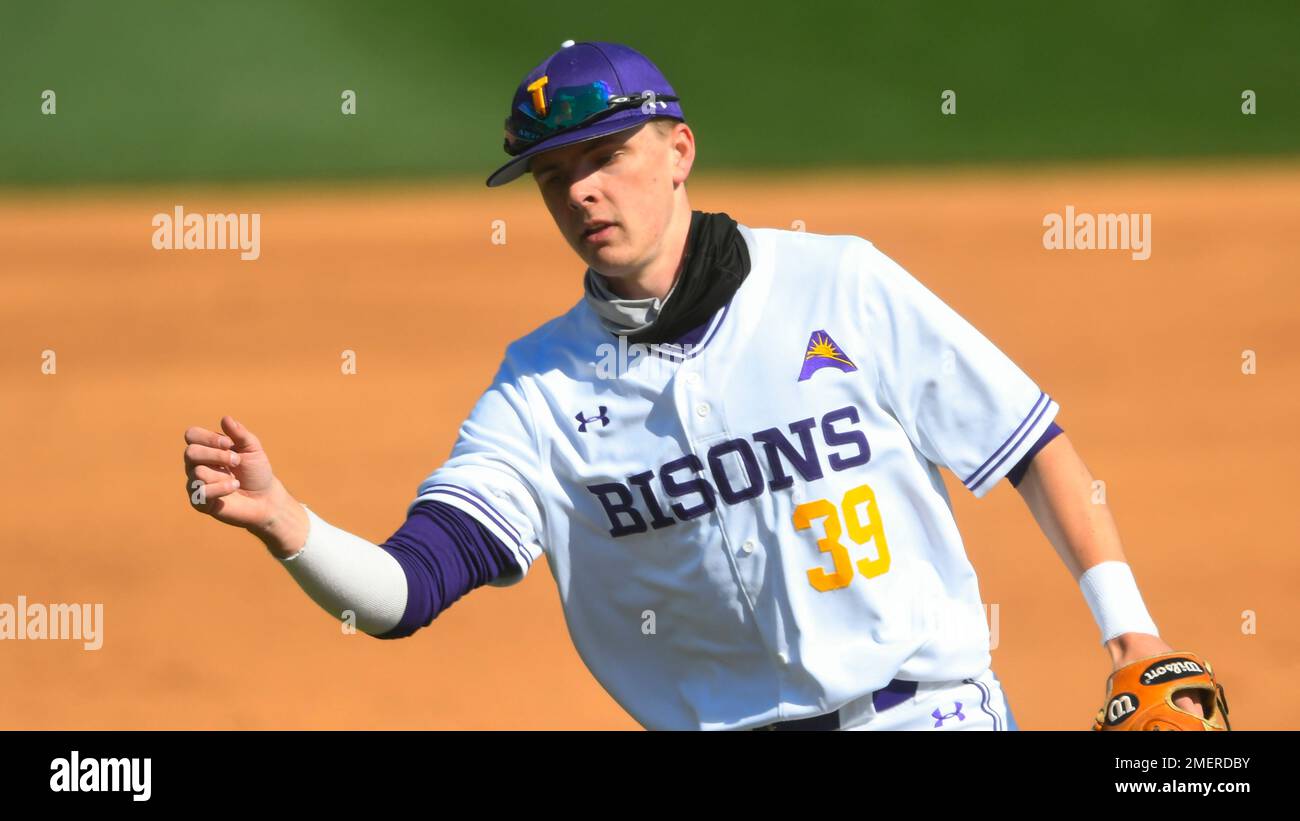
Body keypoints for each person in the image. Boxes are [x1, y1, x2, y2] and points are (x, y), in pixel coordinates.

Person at [183, 40, 1209, 730]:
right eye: (554, 176)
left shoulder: (838, 283)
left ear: (678, 151)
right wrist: (289, 522)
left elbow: (1027, 443)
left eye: (605, 156)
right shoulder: (538, 392)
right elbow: (405, 592)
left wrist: (1130, 630)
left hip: (927, 714)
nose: (583, 191)